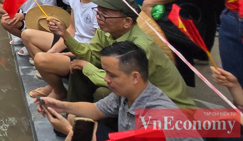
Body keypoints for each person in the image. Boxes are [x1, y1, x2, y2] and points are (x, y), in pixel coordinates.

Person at [53, 0, 194, 108]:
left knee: (104, 92)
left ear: (127, 22)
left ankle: (105, 130)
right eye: (98, 12)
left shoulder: (140, 47)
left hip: (167, 103)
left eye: (105, 14)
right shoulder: (105, 31)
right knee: (79, 70)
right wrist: (66, 35)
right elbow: (92, 55)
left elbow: (123, 81)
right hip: (133, 88)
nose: (99, 18)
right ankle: (77, 118)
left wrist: (87, 67)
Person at [38, 41, 201, 141]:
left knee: (78, 129)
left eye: (112, 75)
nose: (106, 79)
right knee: (80, 120)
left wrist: (68, 129)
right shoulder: (126, 94)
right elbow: (95, 110)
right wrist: (61, 106)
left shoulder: (156, 119)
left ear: (135, 77)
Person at [25, 0, 105, 101]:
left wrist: (68, 52)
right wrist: (53, 52)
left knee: (40, 59)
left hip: (88, 53)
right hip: (72, 42)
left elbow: (97, 46)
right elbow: (72, 29)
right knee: (27, 35)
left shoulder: (102, 7)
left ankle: (57, 90)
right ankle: (53, 80)